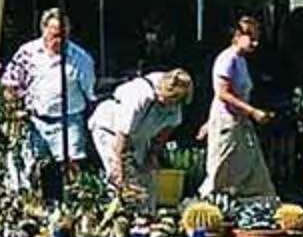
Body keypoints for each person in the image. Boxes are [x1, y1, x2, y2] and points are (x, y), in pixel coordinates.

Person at [0, 7, 97, 195]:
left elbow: (90, 93)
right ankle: (33, 205)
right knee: (31, 168)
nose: (58, 40)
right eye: (54, 35)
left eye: (63, 35)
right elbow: (10, 82)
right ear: (43, 29)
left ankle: (73, 206)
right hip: (33, 119)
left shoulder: (81, 59)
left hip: (69, 119)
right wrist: (13, 109)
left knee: (71, 167)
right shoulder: (27, 52)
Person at [204, 13, 279, 201]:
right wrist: (252, 111)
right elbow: (223, 93)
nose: (255, 44)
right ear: (238, 36)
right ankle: (208, 205)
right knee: (222, 169)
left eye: (257, 39)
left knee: (253, 169)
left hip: (241, 122)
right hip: (227, 122)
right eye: (251, 38)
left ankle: (259, 204)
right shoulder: (226, 59)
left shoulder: (241, 61)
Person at [89, 67, 192, 200]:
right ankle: (118, 212)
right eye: (169, 100)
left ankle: (147, 215)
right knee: (119, 177)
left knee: (146, 179)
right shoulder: (140, 95)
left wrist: (151, 158)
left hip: (140, 135)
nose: (172, 105)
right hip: (110, 130)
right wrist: (121, 169)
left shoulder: (177, 103)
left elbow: (162, 136)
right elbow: (123, 137)